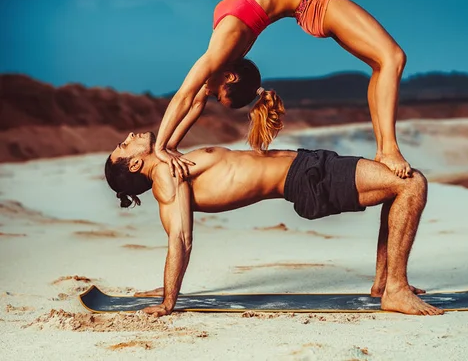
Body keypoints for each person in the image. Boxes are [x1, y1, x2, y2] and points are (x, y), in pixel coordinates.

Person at [104, 131, 444, 317]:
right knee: (410, 184)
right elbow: (179, 238)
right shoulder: (166, 175)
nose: (130, 135)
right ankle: (395, 290)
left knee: (396, 191)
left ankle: (385, 283)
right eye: (123, 145)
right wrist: (168, 301)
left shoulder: (169, 159)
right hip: (307, 179)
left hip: (306, 164)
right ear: (135, 164)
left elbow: (192, 97)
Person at [154, 0, 411, 180]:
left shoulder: (222, 49)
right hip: (313, 5)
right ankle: (386, 150)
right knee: (392, 58)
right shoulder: (225, 56)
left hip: (315, 2)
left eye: (217, 96)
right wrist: (170, 147)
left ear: (229, 77)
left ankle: (386, 149)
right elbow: (195, 102)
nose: (208, 94)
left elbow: (186, 96)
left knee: (388, 60)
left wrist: (161, 147)